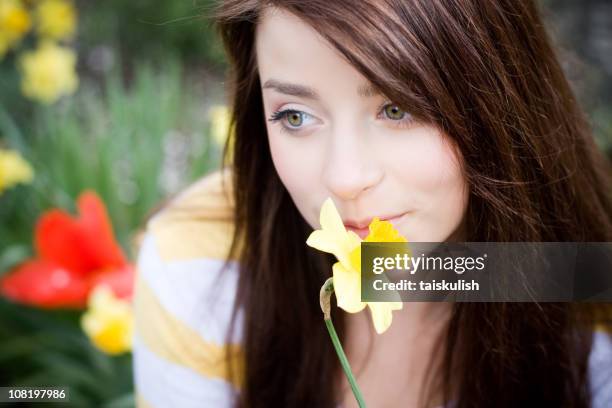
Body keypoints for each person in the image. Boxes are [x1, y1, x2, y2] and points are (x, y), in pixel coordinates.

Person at [132, 1, 612, 407]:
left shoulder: (583, 288)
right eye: (295, 116)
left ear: (501, 97)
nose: (344, 179)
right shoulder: (198, 266)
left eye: (397, 108)